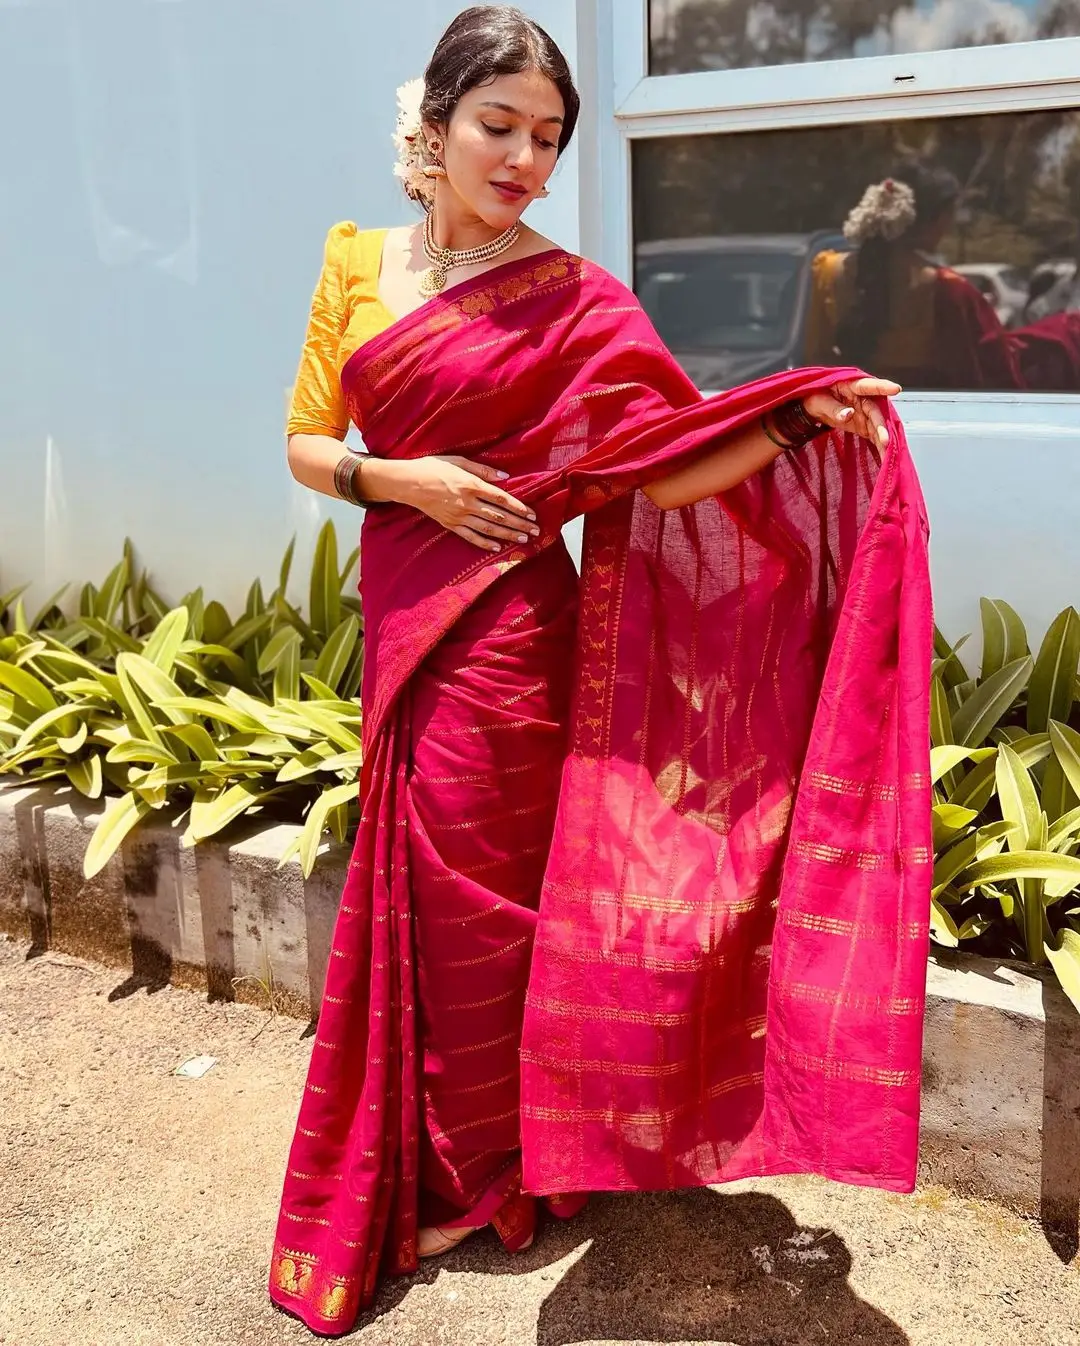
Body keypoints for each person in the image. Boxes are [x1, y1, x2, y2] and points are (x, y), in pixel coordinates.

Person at [269, 6, 932, 1336]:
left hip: (520, 636)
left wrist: (797, 415)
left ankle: (515, 1162)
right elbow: (304, 442)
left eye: (548, 138)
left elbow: (660, 461)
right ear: (439, 121)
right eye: (498, 126)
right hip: (408, 616)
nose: (522, 157)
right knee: (423, 902)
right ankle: (443, 1162)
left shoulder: (574, 298)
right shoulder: (356, 266)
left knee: (504, 908)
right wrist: (410, 481)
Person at [805, 163, 1023, 390]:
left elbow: (815, 363)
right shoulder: (947, 289)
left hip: (847, 416)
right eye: (949, 215)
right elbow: (986, 374)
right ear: (933, 219)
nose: (948, 227)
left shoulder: (827, 270)